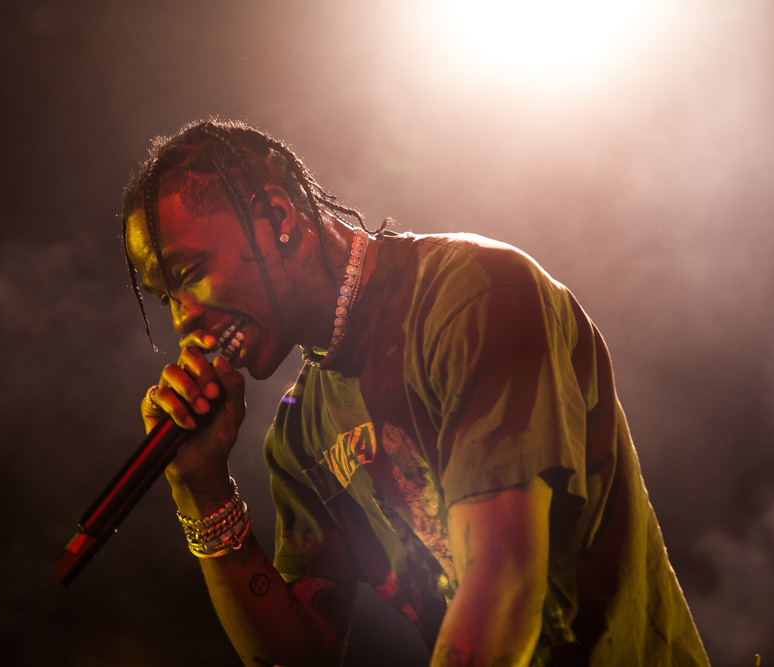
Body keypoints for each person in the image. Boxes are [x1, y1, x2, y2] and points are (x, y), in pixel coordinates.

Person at [120, 119, 709, 666]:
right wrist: (201, 490)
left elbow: (503, 580)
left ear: (276, 218)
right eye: (166, 298)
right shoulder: (300, 432)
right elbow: (297, 658)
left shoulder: (476, 296)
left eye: (188, 275)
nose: (182, 319)